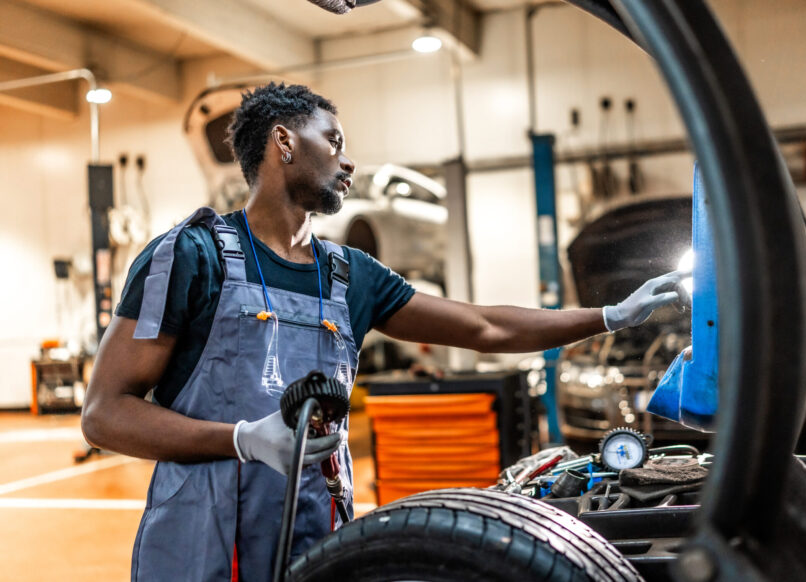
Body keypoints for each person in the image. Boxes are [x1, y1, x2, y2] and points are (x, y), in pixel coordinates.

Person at [81, 82, 685, 582]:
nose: (348, 163)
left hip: (320, 535)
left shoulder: (350, 276)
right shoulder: (191, 255)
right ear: (283, 142)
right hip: (202, 544)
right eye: (335, 142)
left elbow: (484, 325)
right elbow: (105, 415)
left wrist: (604, 317)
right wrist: (241, 439)